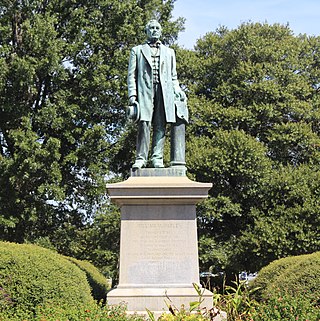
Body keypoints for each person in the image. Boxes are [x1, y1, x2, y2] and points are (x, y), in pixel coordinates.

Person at [127, 19, 188, 169]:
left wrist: (178, 90)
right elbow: (131, 75)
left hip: (164, 91)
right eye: (151, 28)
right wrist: (132, 95)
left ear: (161, 31)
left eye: (157, 28)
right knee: (144, 123)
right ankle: (141, 158)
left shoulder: (169, 52)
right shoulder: (137, 50)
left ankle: (157, 158)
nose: (154, 30)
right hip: (144, 91)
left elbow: (173, 77)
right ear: (146, 31)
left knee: (161, 125)